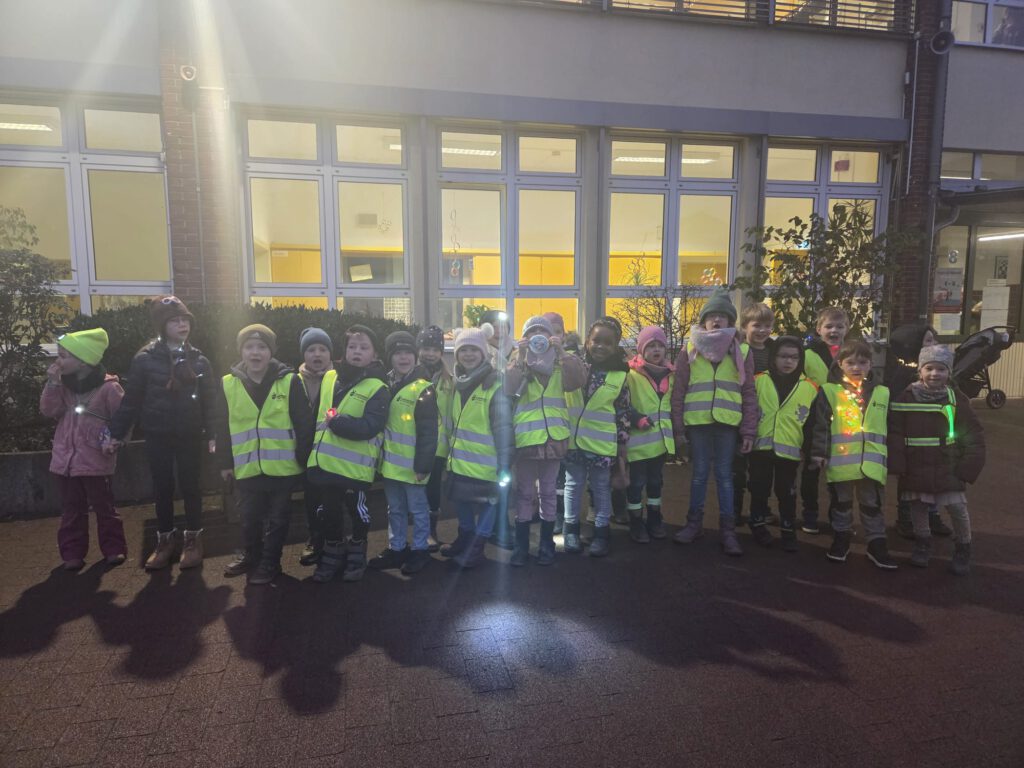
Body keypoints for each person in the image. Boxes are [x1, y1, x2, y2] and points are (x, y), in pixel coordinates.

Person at [107, 296, 217, 571]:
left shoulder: (199, 360)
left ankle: (193, 540)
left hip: (190, 434)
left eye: (185, 320)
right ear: (161, 325)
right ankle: (165, 541)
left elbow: (211, 401)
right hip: (158, 435)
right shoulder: (145, 360)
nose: (182, 325)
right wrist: (115, 433)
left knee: (191, 486)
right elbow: (131, 400)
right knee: (162, 487)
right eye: (174, 321)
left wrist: (214, 433)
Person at [217, 325, 314, 584]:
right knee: (249, 518)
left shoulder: (290, 381)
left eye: (262, 347)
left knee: (278, 520)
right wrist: (225, 462)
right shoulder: (228, 384)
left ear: (271, 352)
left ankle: (271, 562)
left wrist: (304, 458)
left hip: (283, 469)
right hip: (247, 467)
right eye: (249, 347)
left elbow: (303, 422)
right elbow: (221, 426)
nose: (255, 353)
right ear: (241, 351)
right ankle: (252, 556)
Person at [670, 287, 758, 557]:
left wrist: (748, 430)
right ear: (704, 321)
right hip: (698, 423)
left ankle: (728, 531)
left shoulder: (742, 350)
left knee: (724, 477)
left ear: (731, 321)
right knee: (698, 476)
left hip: (727, 424)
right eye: (711, 316)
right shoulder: (689, 348)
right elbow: (679, 390)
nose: (717, 320)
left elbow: (748, 392)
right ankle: (693, 524)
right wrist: (678, 428)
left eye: (722, 316)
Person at [888, 345, 985, 575]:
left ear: (949, 372)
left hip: (948, 465)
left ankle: (963, 546)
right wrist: (898, 464)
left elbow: (973, 434)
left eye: (941, 369)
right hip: (915, 465)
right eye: (929, 368)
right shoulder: (905, 398)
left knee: (957, 508)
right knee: (918, 507)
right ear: (920, 371)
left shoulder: (956, 399)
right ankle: (923, 543)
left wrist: (968, 467)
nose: (934, 373)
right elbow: (895, 432)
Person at [306, 325, 390, 583]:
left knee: (358, 513)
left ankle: (357, 553)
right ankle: (333, 553)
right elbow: (317, 415)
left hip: (355, 469)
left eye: (364, 348)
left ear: (374, 354)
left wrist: (338, 423)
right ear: (343, 351)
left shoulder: (378, 387)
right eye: (352, 347)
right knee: (328, 512)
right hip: (324, 465)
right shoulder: (330, 377)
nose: (357, 352)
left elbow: (371, 426)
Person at [42, 328, 126, 570]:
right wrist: (52, 384)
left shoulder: (109, 388)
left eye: (64, 356)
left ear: (83, 361)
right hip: (65, 461)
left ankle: (114, 548)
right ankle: (72, 553)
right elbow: (49, 410)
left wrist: (116, 440)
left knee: (104, 507)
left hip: (96, 460)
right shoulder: (62, 385)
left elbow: (123, 419)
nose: (58, 361)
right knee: (71, 509)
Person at [810, 339, 897, 569]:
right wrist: (819, 452)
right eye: (850, 362)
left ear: (870, 364)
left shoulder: (883, 393)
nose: (856, 367)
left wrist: (894, 458)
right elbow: (821, 426)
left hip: (872, 463)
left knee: (872, 504)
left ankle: (876, 544)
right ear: (840, 364)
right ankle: (841, 538)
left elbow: (892, 428)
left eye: (862, 362)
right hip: (841, 462)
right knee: (842, 503)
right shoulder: (829, 391)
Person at [506, 315, 585, 566]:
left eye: (542, 332)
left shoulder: (561, 363)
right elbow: (508, 388)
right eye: (532, 332)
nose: (537, 336)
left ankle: (546, 544)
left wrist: (562, 352)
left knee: (549, 492)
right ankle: (521, 547)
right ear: (525, 338)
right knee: (524, 493)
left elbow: (577, 381)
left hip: (554, 439)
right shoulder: (518, 361)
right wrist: (520, 357)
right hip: (527, 439)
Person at [439, 324, 514, 569]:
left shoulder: (494, 385)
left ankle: (476, 548)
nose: (468, 354)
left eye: (474, 349)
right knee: (461, 504)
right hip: (461, 463)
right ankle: (465, 539)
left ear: (484, 353)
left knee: (487, 507)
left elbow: (503, 429)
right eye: (463, 350)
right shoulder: (456, 384)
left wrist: (504, 464)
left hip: (486, 465)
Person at [563, 317, 635, 558]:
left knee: (601, 488)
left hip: (602, 444)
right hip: (573, 441)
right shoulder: (574, 366)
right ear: (587, 341)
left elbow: (623, 412)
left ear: (615, 346)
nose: (601, 346)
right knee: (573, 486)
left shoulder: (620, 375)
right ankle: (571, 530)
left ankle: (602, 533)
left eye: (608, 342)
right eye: (596, 340)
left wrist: (622, 443)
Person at [369, 331, 439, 576]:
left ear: (415, 355)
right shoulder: (384, 383)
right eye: (398, 353)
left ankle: (420, 549)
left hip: (413, 466)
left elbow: (429, 431)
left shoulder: (423, 388)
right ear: (390, 356)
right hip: (390, 465)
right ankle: (396, 547)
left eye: (408, 352)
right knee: (395, 509)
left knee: (418, 510)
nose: (403, 358)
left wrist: (423, 465)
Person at [747, 336, 818, 552]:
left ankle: (788, 529)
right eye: (783, 356)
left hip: (789, 450)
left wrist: (810, 451)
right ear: (773, 357)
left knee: (787, 492)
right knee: (759, 488)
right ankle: (757, 524)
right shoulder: (758, 380)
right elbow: (748, 411)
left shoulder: (810, 388)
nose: (788, 361)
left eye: (794, 357)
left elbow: (812, 425)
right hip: (761, 448)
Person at [885, 324, 953, 539]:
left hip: (934, 440)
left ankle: (932, 516)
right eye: (928, 340)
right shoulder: (903, 374)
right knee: (909, 482)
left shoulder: (937, 373)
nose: (933, 344)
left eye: (934, 339)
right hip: (910, 439)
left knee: (932, 480)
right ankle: (905, 519)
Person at [799, 306, 851, 535]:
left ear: (847, 329)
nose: (834, 331)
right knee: (811, 469)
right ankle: (809, 514)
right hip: (814, 421)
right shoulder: (807, 354)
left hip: (843, 420)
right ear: (819, 329)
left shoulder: (851, 354)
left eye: (840, 326)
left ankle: (837, 517)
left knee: (839, 472)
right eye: (829, 326)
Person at [625, 325, 674, 543]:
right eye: (651, 346)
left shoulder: (671, 375)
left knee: (655, 483)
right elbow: (622, 403)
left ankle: (654, 519)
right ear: (641, 350)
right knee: (636, 484)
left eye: (660, 346)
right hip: (637, 445)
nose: (656, 350)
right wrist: (637, 418)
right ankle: (636, 522)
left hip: (660, 444)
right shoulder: (630, 375)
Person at [734, 303, 775, 526]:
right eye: (757, 325)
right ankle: (735, 510)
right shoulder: (738, 350)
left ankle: (760, 508)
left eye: (767, 326)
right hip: (741, 413)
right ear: (744, 326)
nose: (762, 330)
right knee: (737, 469)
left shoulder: (774, 351)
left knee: (762, 470)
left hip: (766, 417)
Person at [296, 327, 334, 566]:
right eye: (311, 349)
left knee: (333, 498)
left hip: (333, 451)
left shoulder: (340, 379)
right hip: (306, 451)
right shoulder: (294, 381)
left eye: (322, 349)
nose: (317, 354)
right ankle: (315, 538)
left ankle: (334, 539)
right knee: (312, 498)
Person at [417, 325, 452, 552]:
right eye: (426, 348)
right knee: (414, 490)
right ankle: (417, 532)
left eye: (435, 350)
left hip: (439, 447)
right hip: (415, 444)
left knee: (432, 490)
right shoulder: (411, 375)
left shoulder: (449, 380)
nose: (430, 354)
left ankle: (431, 531)